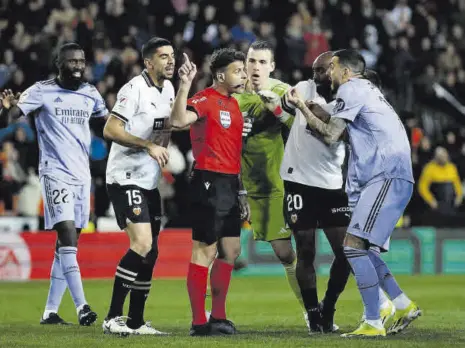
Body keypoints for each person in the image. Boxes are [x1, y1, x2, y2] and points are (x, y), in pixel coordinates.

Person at [285, 49, 421, 337]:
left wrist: (303, 108)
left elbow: (331, 133)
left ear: (345, 71)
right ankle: (401, 303)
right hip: (389, 175)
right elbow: (345, 128)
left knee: (352, 247)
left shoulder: (351, 88)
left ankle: (373, 320)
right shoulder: (365, 91)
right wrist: (318, 110)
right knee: (363, 248)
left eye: (331, 67)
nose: (327, 74)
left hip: (384, 173)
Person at [0, 43, 105, 325]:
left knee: (67, 244)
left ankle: (50, 312)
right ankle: (83, 306)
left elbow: (108, 125)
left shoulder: (90, 94)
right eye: (72, 62)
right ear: (58, 63)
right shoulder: (41, 91)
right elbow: (7, 120)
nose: (78, 66)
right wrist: (5, 109)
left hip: (82, 176)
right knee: (68, 236)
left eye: (82, 61)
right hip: (54, 172)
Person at [170, 48, 250, 336]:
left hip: (230, 183)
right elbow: (178, 122)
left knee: (230, 250)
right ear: (220, 75)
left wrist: (240, 192)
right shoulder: (203, 100)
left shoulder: (235, 104)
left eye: (243, 70)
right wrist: (184, 86)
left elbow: (234, 151)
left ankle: (218, 316)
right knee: (204, 249)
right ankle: (198, 322)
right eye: (237, 70)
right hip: (208, 180)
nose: (243, 74)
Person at [102, 37, 175, 336]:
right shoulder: (133, 90)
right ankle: (112, 317)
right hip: (124, 177)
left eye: (172, 55)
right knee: (142, 243)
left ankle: (136, 321)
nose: (170, 61)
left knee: (152, 252)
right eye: (163, 56)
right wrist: (147, 146)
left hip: (148, 180)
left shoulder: (169, 88)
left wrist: (163, 148)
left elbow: (165, 127)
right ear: (148, 62)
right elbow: (110, 129)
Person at [233, 40, 307, 326]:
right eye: (252, 61)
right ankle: (206, 318)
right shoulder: (232, 95)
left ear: (272, 66)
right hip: (234, 184)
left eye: (263, 62)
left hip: (272, 186)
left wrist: (278, 110)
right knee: (219, 250)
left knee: (286, 253)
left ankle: (309, 310)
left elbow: (302, 127)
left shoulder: (281, 92)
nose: (256, 67)